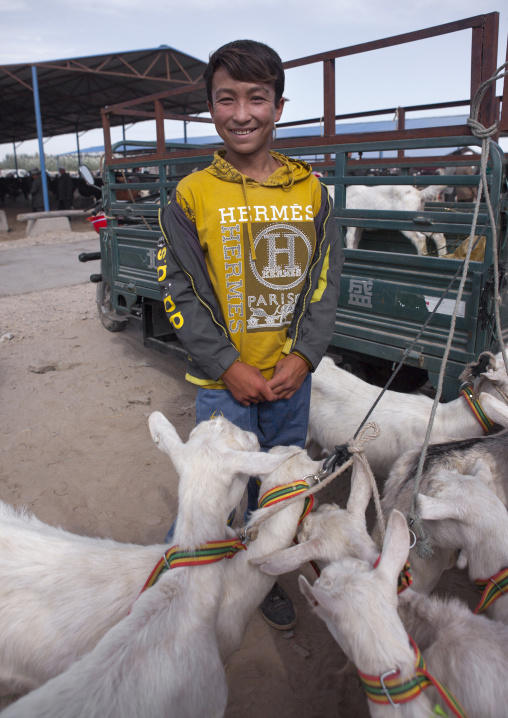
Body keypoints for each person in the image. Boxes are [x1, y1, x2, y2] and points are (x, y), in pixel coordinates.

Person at [156, 39, 344, 630]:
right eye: (226, 98)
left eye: (256, 98)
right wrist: (228, 366)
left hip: (290, 383)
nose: (242, 113)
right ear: (211, 108)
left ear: (278, 107)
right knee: (211, 498)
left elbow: (324, 281)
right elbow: (180, 290)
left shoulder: (312, 193)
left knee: (278, 494)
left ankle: (260, 582)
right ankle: (173, 591)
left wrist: (306, 356)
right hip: (222, 385)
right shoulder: (191, 194)